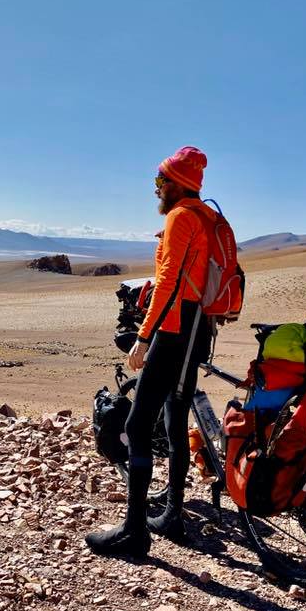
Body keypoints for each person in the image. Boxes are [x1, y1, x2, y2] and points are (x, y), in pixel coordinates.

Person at [86, 146, 219, 557]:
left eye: (160, 182)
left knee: (142, 423)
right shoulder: (207, 216)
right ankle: (173, 515)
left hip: (175, 331)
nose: (156, 189)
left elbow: (169, 282)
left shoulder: (181, 217)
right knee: (176, 417)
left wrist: (145, 336)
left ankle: (133, 531)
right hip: (198, 330)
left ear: (177, 185)